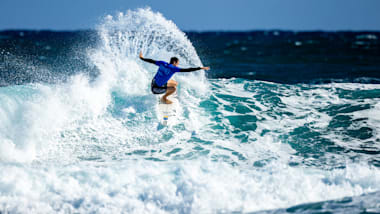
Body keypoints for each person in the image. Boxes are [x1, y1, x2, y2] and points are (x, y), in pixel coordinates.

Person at [139, 51, 210, 104]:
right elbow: (188, 69)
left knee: (175, 83)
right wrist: (200, 68)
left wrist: (142, 58)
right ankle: (164, 98)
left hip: (153, 83)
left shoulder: (162, 63)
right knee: (174, 88)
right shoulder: (174, 68)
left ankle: (165, 89)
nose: (177, 65)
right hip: (155, 89)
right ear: (175, 62)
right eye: (177, 63)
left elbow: (151, 61)